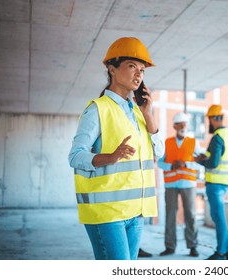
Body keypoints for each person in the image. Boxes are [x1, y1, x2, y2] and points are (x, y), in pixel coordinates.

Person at [68, 37, 164, 260]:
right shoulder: (97, 110)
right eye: (132, 66)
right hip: (107, 213)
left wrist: (148, 113)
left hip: (136, 212)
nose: (139, 74)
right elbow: (75, 156)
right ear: (112, 69)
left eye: (142, 70)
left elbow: (158, 153)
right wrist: (110, 157)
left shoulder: (140, 113)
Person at [195, 104, 228, 260]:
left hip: (215, 184)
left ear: (214, 118)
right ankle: (226, 251)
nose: (209, 123)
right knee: (219, 217)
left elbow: (213, 163)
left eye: (209, 119)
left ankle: (221, 252)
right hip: (226, 183)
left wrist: (199, 160)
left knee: (219, 218)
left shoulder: (217, 137)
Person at [157, 112, 202, 257]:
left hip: (188, 184)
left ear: (187, 125)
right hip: (171, 185)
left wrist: (185, 163)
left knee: (191, 214)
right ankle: (170, 246)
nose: (183, 126)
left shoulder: (194, 143)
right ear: (174, 126)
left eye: (185, 123)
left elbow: (200, 163)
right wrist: (171, 166)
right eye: (179, 123)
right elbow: (159, 162)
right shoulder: (167, 142)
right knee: (170, 215)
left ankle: (193, 246)